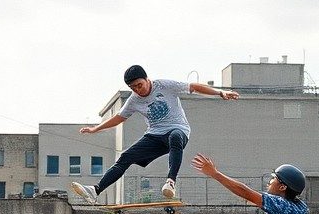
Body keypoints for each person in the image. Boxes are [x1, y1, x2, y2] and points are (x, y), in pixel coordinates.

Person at [71, 65, 238, 205]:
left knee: (174, 137)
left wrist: (220, 93)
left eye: (139, 85)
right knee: (125, 157)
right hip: (154, 136)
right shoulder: (134, 99)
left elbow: (193, 87)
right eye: (133, 88)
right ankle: (95, 190)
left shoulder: (164, 85)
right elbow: (119, 118)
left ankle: (170, 182)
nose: (137, 90)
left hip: (178, 129)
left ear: (147, 79)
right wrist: (96, 129)